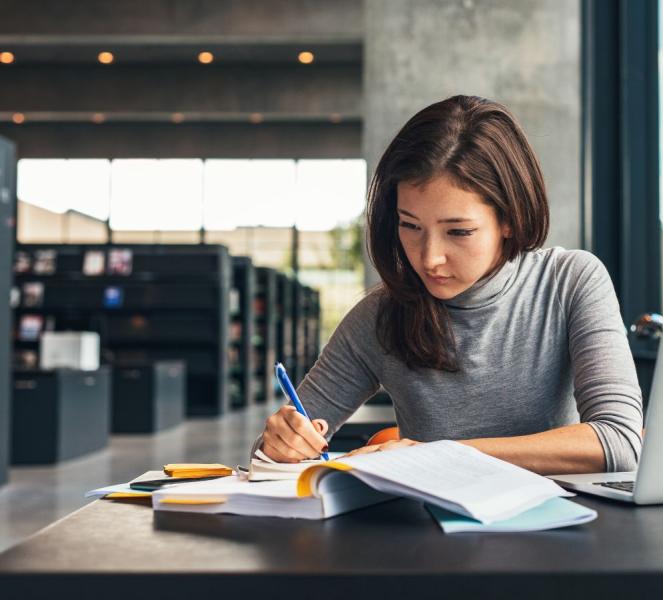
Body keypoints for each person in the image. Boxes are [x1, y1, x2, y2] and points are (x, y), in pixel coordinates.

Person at [255, 95, 643, 475]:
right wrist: (280, 444)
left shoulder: (569, 281)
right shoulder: (379, 315)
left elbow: (619, 441)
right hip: (433, 534)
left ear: (509, 219)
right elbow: (266, 460)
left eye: (458, 231)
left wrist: (438, 455)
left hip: (561, 529)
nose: (429, 258)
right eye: (410, 226)